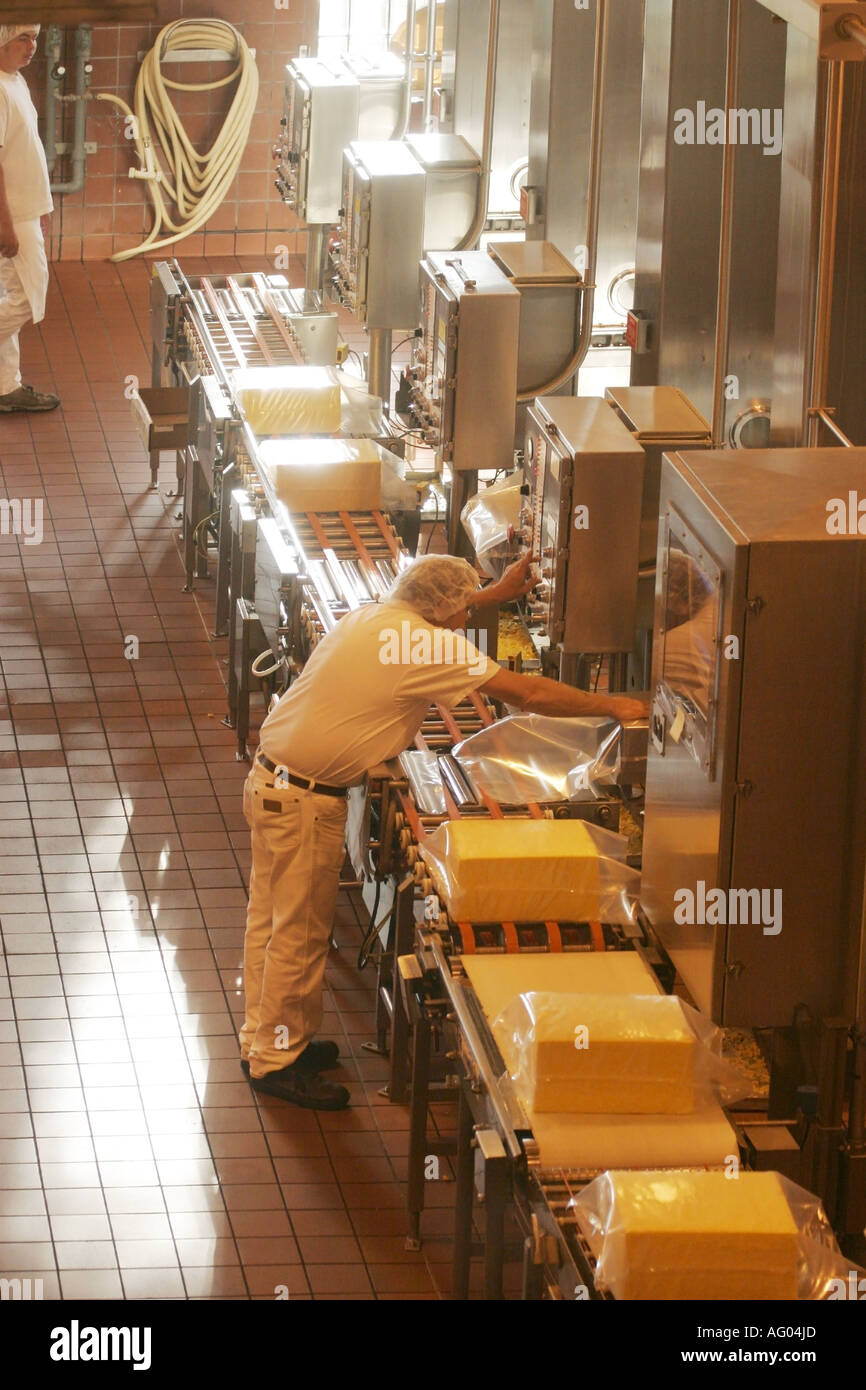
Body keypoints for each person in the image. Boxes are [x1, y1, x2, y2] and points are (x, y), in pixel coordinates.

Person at [240, 551, 648, 1110]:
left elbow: (438, 608)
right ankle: (275, 1061)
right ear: (443, 609)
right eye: (462, 609)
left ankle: (269, 1040)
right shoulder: (426, 646)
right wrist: (615, 707)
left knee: (268, 920)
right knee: (297, 933)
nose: (464, 622)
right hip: (305, 802)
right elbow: (526, 695)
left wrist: (492, 596)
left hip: (275, 783)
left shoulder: (375, 617)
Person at [0, 23, 59, 414]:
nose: (32, 46)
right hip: (11, 214)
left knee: (7, 296)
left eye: (35, 38)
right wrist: (5, 223)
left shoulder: (14, 80)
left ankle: (6, 387)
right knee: (26, 299)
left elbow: (26, 151)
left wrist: (43, 208)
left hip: (24, 210)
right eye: (23, 38)